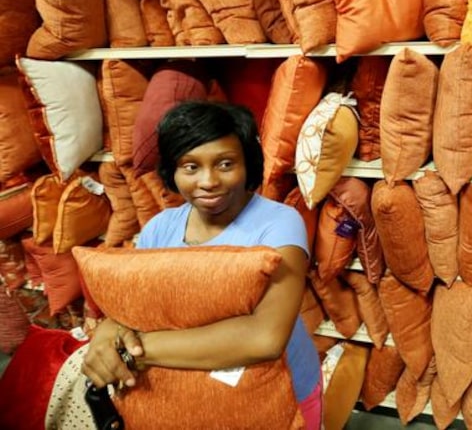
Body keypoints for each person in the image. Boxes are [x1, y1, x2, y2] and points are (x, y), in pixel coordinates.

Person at [82, 100, 322, 428]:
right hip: (192, 394)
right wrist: (109, 333)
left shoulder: (279, 224)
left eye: (225, 164)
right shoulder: (159, 228)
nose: (208, 181)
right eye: (191, 167)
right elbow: (133, 308)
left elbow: (264, 338)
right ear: (173, 171)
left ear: (247, 164)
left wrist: (135, 350)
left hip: (281, 391)